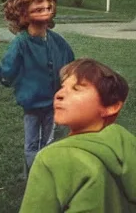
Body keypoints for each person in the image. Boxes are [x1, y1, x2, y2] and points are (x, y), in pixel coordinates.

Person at [0, 0, 75, 175]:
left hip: (54, 103)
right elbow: (8, 74)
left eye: (47, 7)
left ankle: (47, 176)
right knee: (32, 144)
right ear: (23, 14)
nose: (44, 11)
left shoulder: (58, 42)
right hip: (32, 104)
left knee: (51, 142)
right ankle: (36, 178)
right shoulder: (20, 44)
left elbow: (71, 66)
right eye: (38, 8)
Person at [20, 58, 135, 212]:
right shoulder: (129, 146)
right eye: (62, 87)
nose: (59, 95)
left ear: (111, 106)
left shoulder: (51, 159)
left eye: (77, 88)